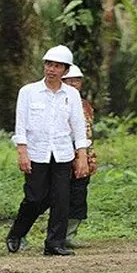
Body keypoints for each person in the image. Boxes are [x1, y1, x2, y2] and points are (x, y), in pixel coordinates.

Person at [6, 45, 90, 256]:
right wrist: (22, 152)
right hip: (36, 153)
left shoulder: (71, 95)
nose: (52, 69)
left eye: (57, 66)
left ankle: (54, 243)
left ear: (65, 70)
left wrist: (82, 157)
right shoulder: (28, 92)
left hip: (62, 153)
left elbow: (79, 128)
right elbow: (21, 124)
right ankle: (16, 233)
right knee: (35, 197)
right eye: (49, 65)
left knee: (62, 199)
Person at [61, 64, 97, 248]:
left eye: (77, 80)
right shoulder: (58, 102)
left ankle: (69, 234)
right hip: (62, 156)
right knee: (51, 195)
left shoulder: (85, 105)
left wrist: (88, 156)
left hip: (84, 157)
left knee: (78, 195)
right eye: (68, 80)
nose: (73, 83)